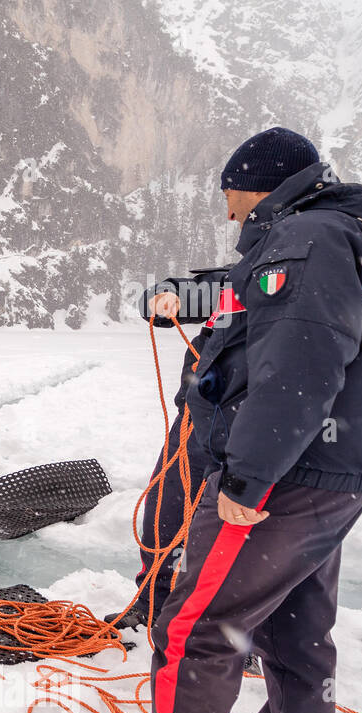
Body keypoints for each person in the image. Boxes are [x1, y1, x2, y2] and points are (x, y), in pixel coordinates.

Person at [70, 127, 362, 713]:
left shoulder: (307, 239)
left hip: (279, 484)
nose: (230, 210)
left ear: (259, 184)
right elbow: (259, 290)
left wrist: (248, 477)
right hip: (333, 473)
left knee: (194, 633)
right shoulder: (337, 231)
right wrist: (182, 294)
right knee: (295, 637)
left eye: (231, 194)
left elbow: (301, 360)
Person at [114, 264, 232, 628]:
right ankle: (153, 605)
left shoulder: (310, 276)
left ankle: (233, 630)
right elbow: (172, 293)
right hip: (199, 417)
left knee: (237, 527)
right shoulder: (239, 278)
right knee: (168, 507)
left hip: (264, 424)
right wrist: (163, 296)